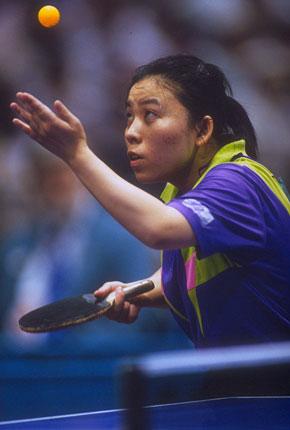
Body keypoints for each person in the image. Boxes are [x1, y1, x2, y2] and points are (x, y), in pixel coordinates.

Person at [10, 54, 290, 348]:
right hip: (237, 384)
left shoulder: (237, 183)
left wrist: (77, 155)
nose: (131, 132)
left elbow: (159, 230)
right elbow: (189, 270)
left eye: (151, 116)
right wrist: (141, 291)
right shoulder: (181, 195)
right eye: (129, 116)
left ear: (203, 130)